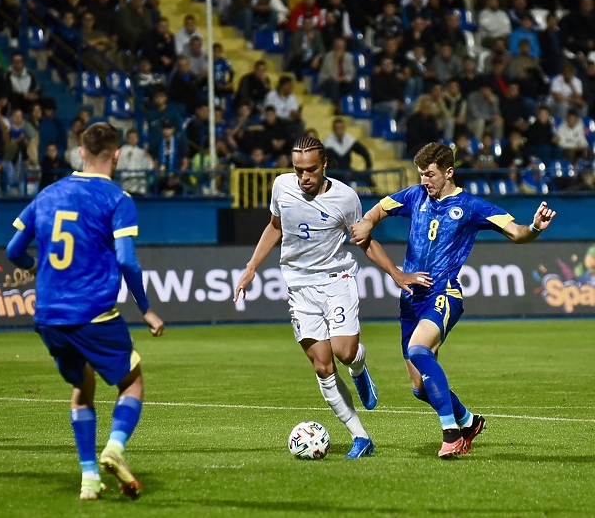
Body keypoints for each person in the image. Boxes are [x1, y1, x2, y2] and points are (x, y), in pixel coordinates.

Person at [349, 142, 556, 458]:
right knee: (419, 388)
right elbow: (380, 209)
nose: (424, 181)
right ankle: (468, 422)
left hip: (444, 293)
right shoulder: (415, 196)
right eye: (420, 174)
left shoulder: (471, 206)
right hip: (410, 299)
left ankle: (452, 434)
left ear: (448, 172)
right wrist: (367, 221)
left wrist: (534, 228)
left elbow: (516, 232)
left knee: (419, 349)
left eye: (429, 175)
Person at [5, 123, 164, 501]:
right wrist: (145, 309)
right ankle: (115, 448)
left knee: (83, 387)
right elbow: (127, 261)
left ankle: (89, 478)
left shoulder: (47, 194)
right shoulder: (117, 199)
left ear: (80, 152)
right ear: (116, 155)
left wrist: (33, 267)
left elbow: (12, 250)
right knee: (133, 382)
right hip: (93, 312)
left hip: (48, 316)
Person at [233, 137, 402, 460]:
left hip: (337, 280)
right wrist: (251, 266)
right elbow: (274, 227)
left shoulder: (345, 198)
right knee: (323, 365)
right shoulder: (282, 187)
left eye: (310, 169)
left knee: (344, 352)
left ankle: (358, 367)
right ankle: (361, 437)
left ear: (324, 165)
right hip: (299, 287)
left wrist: (396, 274)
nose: (304, 177)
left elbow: (364, 241)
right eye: (298, 170)